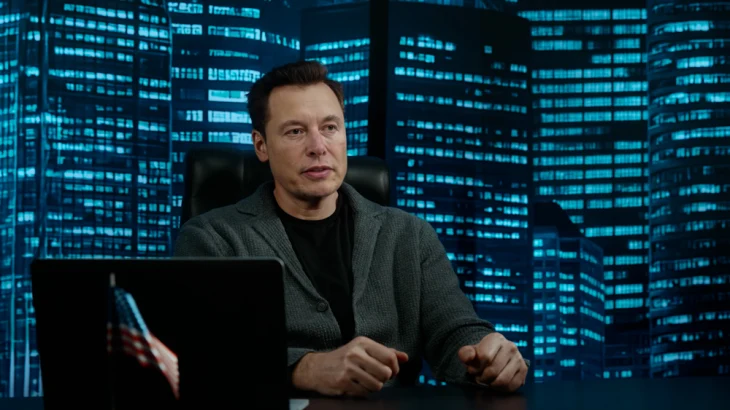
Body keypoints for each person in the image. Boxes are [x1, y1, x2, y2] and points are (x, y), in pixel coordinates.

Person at [174, 60, 529, 397]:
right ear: (261, 145)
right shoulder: (212, 239)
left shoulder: (410, 235)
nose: (318, 147)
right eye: (296, 131)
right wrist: (303, 369)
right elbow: (200, 355)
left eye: (330, 128)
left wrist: (487, 357)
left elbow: (455, 332)